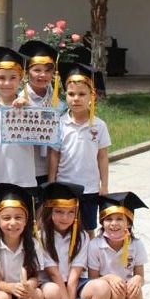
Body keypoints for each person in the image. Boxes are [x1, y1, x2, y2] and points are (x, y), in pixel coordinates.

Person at [38, 181, 112, 299]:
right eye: (59, 212)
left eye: (71, 212)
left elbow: (73, 278)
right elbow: (55, 276)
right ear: (49, 211)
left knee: (103, 288)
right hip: (49, 284)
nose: (65, 217)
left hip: (73, 284)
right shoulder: (41, 236)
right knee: (53, 290)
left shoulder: (81, 236)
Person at [49, 62, 110, 238]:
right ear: (65, 96)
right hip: (65, 185)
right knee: (62, 226)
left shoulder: (99, 125)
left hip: (89, 187)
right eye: (71, 94)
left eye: (82, 94)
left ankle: (90, 262)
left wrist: (104, 185)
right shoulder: (60, 123)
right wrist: (52, 182)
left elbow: (102, 157)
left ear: (92, 96)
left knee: (88, 227)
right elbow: (54, 155)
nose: (76, 98)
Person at [88, 192, 149, 299]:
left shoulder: (136, 245)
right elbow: (92, 277)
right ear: (102, 222)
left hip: (127, 288)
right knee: (117, 289)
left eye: (119, 219)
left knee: (135, 288)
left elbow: (140, 274)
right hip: (106, 287)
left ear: (128, 223)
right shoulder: (95, 245)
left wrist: (137, 279)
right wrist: (109, 278)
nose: (114, 224)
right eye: (108, 219)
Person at [0, 46, 37, 196]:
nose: (7, 83)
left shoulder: (30, 108)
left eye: (13, 77)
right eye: (1, 78)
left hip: (25, 178)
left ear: (21, 79)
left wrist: (27, 109)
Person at [16, 40, 61, 185]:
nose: (43, 75)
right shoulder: (17, 101)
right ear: (26, 71)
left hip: (51, 170)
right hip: (24, 169)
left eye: (48, 71)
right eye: (37, 70)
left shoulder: (59, 104)